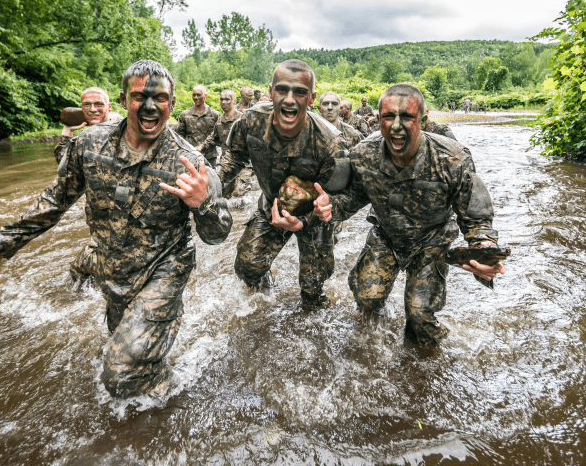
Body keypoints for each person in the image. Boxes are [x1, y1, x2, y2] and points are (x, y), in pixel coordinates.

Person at [0, 60, 233, 398]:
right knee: (123, 352)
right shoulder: (89, 145)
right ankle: (155, 375)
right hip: (112, 267)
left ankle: (167, 394)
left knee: (118, 372)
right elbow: (55, 200)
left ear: (171, 103)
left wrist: (203, 204)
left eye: (163, 99)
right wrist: (6, 239)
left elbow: (218, 235)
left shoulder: (188, 161)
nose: (151, 107)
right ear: (125, 99)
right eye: (141, 97)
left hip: (164, 270)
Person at [313, 84, 505, 346]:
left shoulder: (453, 159)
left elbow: (475, 217)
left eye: (407, 117)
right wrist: (330, 207)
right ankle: (375, 345)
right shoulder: (364, 154)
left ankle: (427, 358)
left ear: (423, 119)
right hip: (387, 235)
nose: (396, 126)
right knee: (366, 298)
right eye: (388, 117)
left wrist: (483, 247)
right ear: (379, 119)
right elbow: (354, 197)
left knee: (419, 316)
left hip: (432, 239)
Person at [217, 59, 349, 307]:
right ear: (270, 92)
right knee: (248, 268)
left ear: (311, 99)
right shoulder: (251, 120)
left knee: (313, 289)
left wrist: (313, 216)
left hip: (313, 219)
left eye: (300, 92)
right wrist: (212, 185)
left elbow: (345, 196)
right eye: (282, 90)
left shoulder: (331, 143)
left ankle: (313, 303)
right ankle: (266, 294)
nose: (290, 99)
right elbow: (233, 156)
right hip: (272, 206)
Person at [54, 87, 124, 282]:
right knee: (84, 275)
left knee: (81, 272)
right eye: (87, 105)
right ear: (81, 109)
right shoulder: (87, 135)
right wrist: (68, 131)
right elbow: (67, 167)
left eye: (98, 105)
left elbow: (64, 167)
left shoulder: (118, 129)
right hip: (99, 220)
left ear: (109, 107)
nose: (93, 109)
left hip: (118, 222)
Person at [197, 89, 242, 168]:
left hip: (240, 164)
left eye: (227, 99)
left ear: (234, 101)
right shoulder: (220, 120)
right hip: (224, 163)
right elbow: (213, 137)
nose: (223, 102)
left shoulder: (241, 119)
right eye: (221, 99)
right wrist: (201, 146)